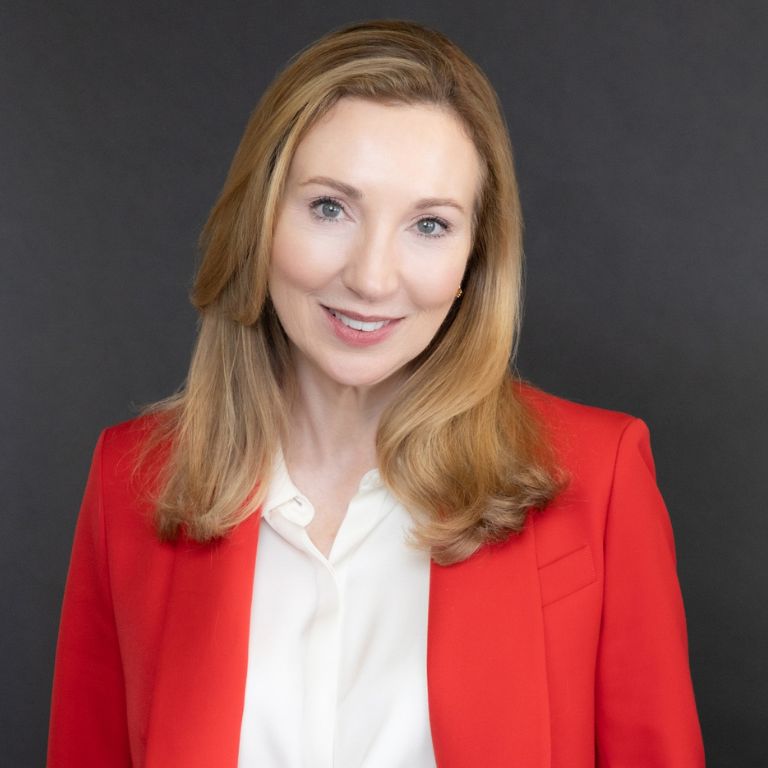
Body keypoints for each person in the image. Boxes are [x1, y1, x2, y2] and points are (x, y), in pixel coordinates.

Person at [47, 19, 705, 768]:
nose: (371, 277)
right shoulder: (129, 481)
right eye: (331, 207)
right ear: (260, 219)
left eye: (429, 224)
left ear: (474, 261)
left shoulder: (600, 476)